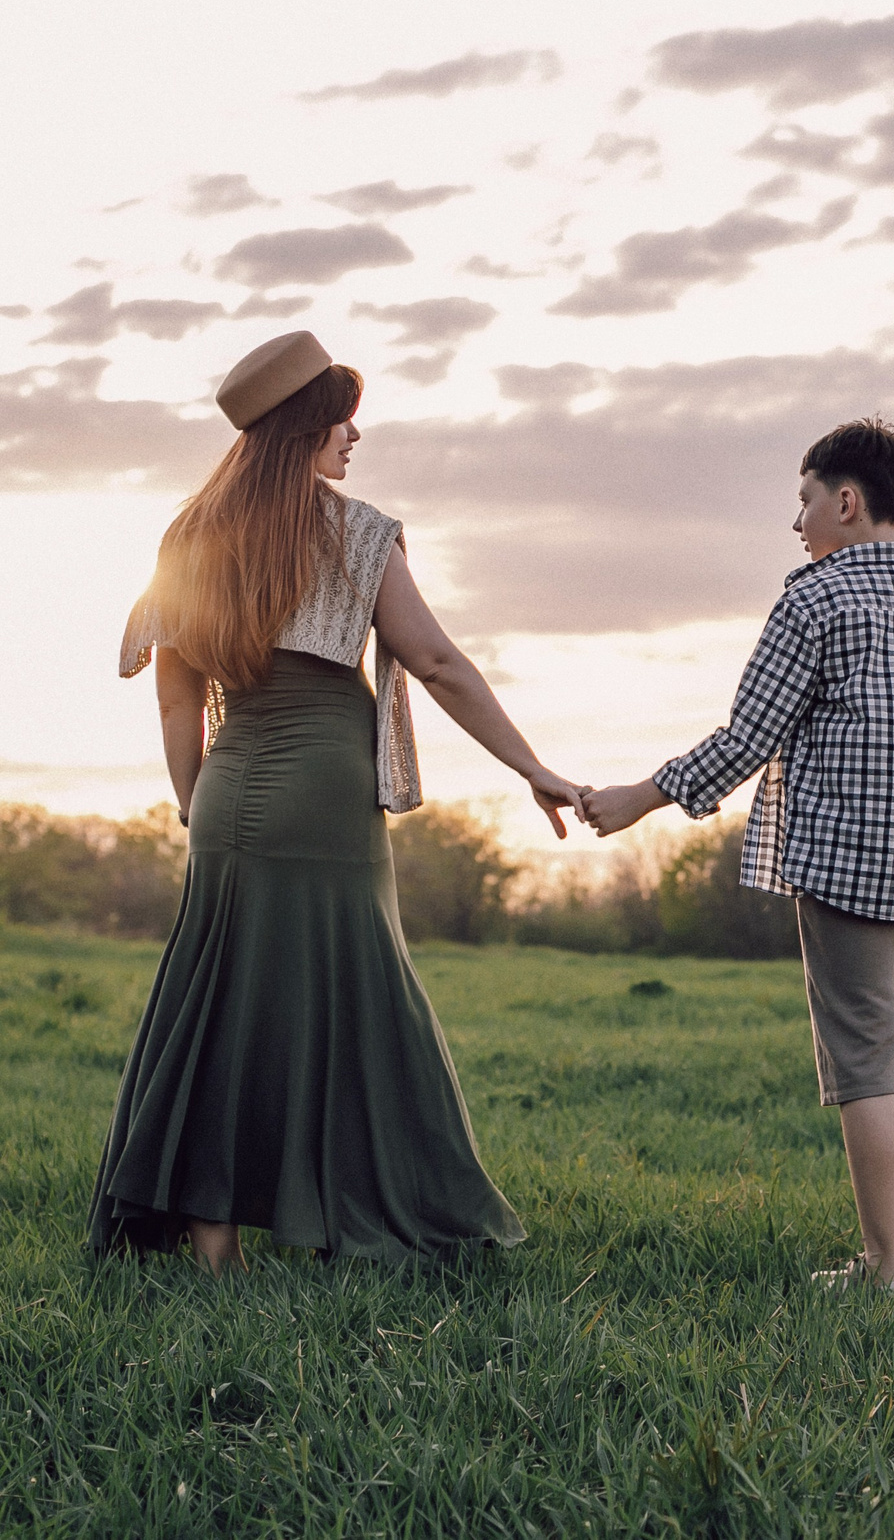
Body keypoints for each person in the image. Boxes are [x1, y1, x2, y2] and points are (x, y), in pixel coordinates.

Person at [89, 330, 586, 1273]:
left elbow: (178, 699)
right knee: (350, 1002)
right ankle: (352, 1215)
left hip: (230, 787)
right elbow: (436, 661)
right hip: (326, 791)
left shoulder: (189, 536)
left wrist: (197, 803)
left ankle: (213, 1240)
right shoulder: (359, 532)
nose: (354, 436)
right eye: (340, 420)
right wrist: (531, 765)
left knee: (222, 1006)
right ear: (302, 428)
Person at [579, 418, 894, 1294]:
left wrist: (640, 797)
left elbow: (748, 736)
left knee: (863, 1064)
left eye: (805, 501)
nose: (797, 521)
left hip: (847, 858)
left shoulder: (813, 600)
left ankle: (886, 1275)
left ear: (846, 502)